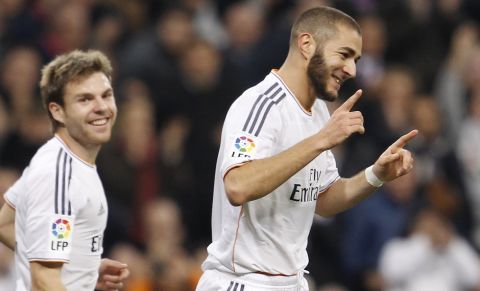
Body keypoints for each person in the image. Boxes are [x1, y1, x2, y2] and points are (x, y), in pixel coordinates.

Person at [196, 6, 418, 291]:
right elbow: (238, 185)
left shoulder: (319, 113)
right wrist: (320, 141)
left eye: (356, 59)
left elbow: (323, 200)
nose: (352, 70)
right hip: (243, 282)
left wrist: (376, 175)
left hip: (292, 282)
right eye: (344, 54)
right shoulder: (260, 105)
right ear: (306, 44)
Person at [0, 50, 129, 290]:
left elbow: (6, 223)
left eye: (106, 95)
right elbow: (44, 280)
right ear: (57, 111)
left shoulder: (57, 158)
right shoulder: (59, 174)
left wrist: (78, 269)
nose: (101, 107)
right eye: (85, 99)